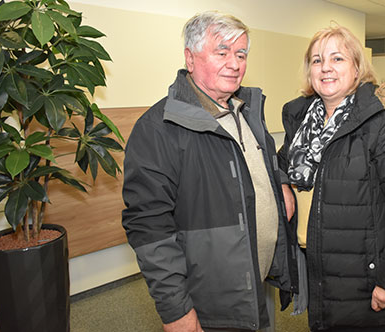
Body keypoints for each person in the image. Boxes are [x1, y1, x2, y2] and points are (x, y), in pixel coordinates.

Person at [122, 11, 296, 332]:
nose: (235, 63)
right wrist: (176, 312)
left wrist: (280, 182)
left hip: (257, 284)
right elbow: (150, 230)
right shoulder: (157, 129)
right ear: (190, 58)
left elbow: (261, 162)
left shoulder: (248, 110)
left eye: (241, 54)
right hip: (211, 303)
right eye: (222, 52)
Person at [277, 25, 385, 332]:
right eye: (317, 60)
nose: (325, 68)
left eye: (337, 59)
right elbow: (281, 162)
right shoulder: (303, 121)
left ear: (358, 68)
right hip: (315, 267)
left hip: (362, 276)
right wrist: (283, 183)